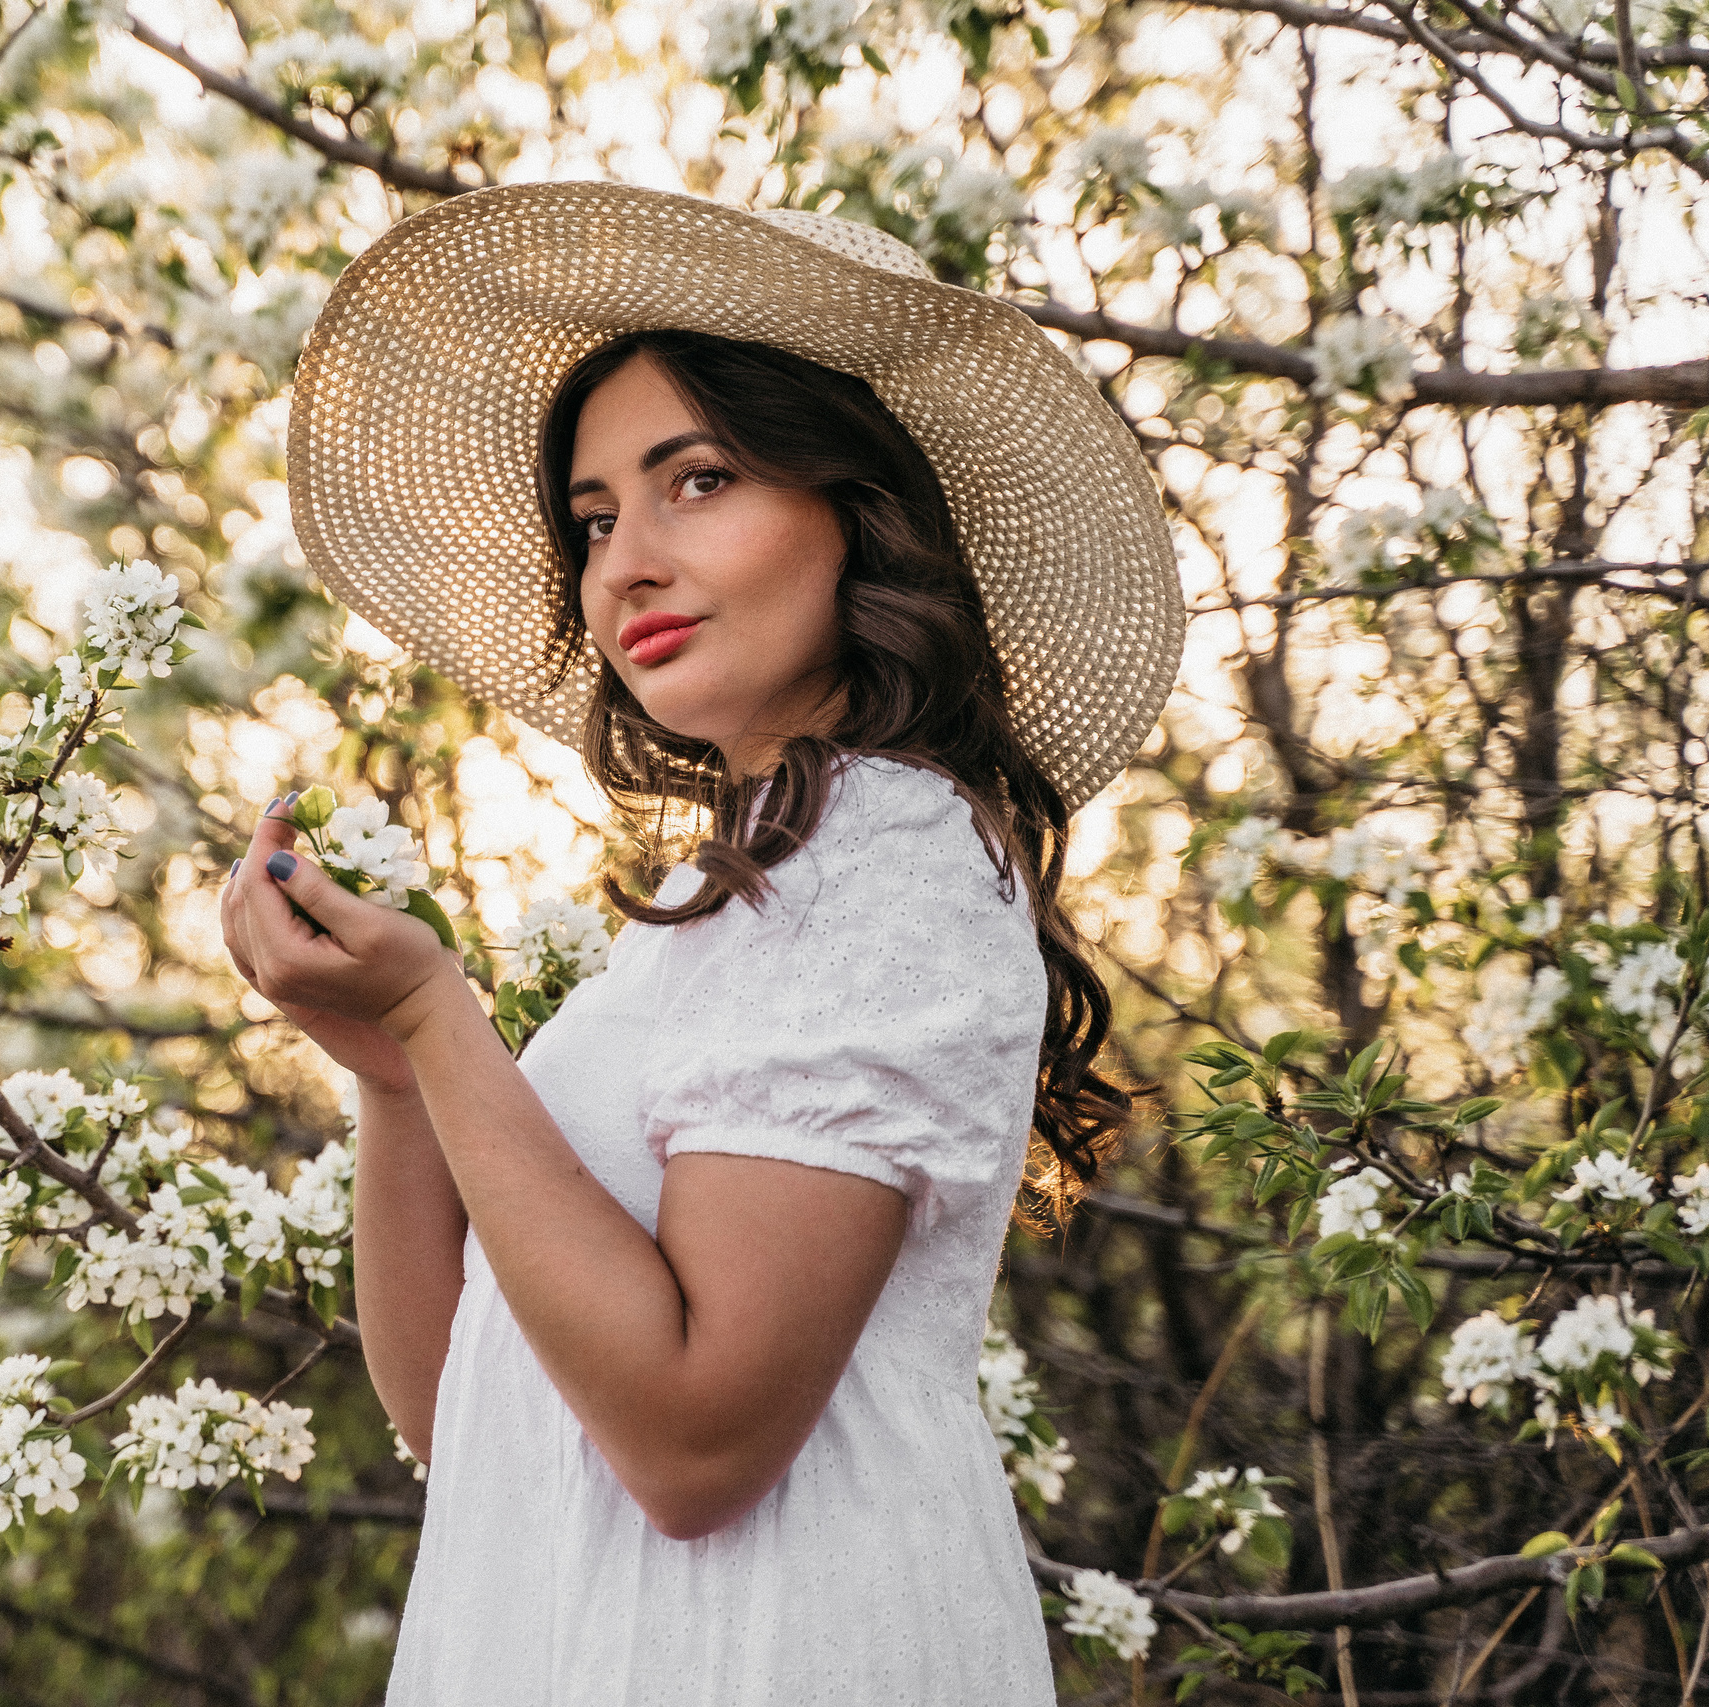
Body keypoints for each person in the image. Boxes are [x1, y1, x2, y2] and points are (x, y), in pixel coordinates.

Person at [218, 182, 1185, 1704]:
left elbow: (691, 1442)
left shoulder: (891, 857)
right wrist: (396, 1085)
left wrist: (437, 1022)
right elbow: (462, 1403)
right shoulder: (722, 914)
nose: (625, 564)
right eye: (596, 520)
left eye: (700, 482)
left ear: (858, 514)